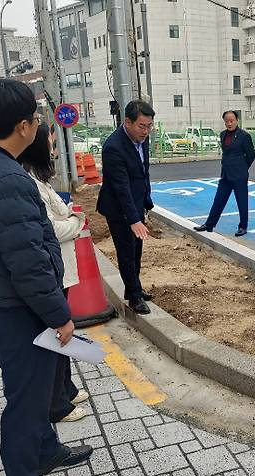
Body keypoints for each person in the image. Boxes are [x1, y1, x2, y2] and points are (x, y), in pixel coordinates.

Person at [0, 78, 93, 476]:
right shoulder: (5, 179)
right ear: (23, 127)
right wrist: (59, 316)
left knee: (39, 385)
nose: (38, 126)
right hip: (14, 307)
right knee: (27, 399)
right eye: (35, 119)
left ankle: (47, 451)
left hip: (0, 300)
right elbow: (27, 263)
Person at [18, 124, 90, 424]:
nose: (54, 149)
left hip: (59, 267)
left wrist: (72, 216)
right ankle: (57, 404)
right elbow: (50, 228)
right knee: (57, 335)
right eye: (50, 142)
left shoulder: (37, 179)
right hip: (51, 271)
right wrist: (76, 222)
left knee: (62, 334)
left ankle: (66, 389)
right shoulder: (29, 183)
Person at [97, 100, 155, 315]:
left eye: (149, 126)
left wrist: (145, 203)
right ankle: (134, 297)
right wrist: (133, 219)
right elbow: (121, 187)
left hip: (136, 204)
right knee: (127, 253)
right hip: (118, 209)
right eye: (142, 126)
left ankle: (135, 289)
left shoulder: (142, 139)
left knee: (136, 251)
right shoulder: (114, 147)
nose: (146, 131)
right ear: (127, 122)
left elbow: (142, 173)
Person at [193, 111, 255, 237]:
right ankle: (209, 224)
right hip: (226, 175)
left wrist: (243, 168)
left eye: (232, 120)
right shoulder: (223, 135)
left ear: (237, 120)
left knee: (242, 201)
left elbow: (251, 155)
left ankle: (243, 226)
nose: (229, 123)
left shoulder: (244, 136)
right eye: (227, 121)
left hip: (239, 175)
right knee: (218, 200)